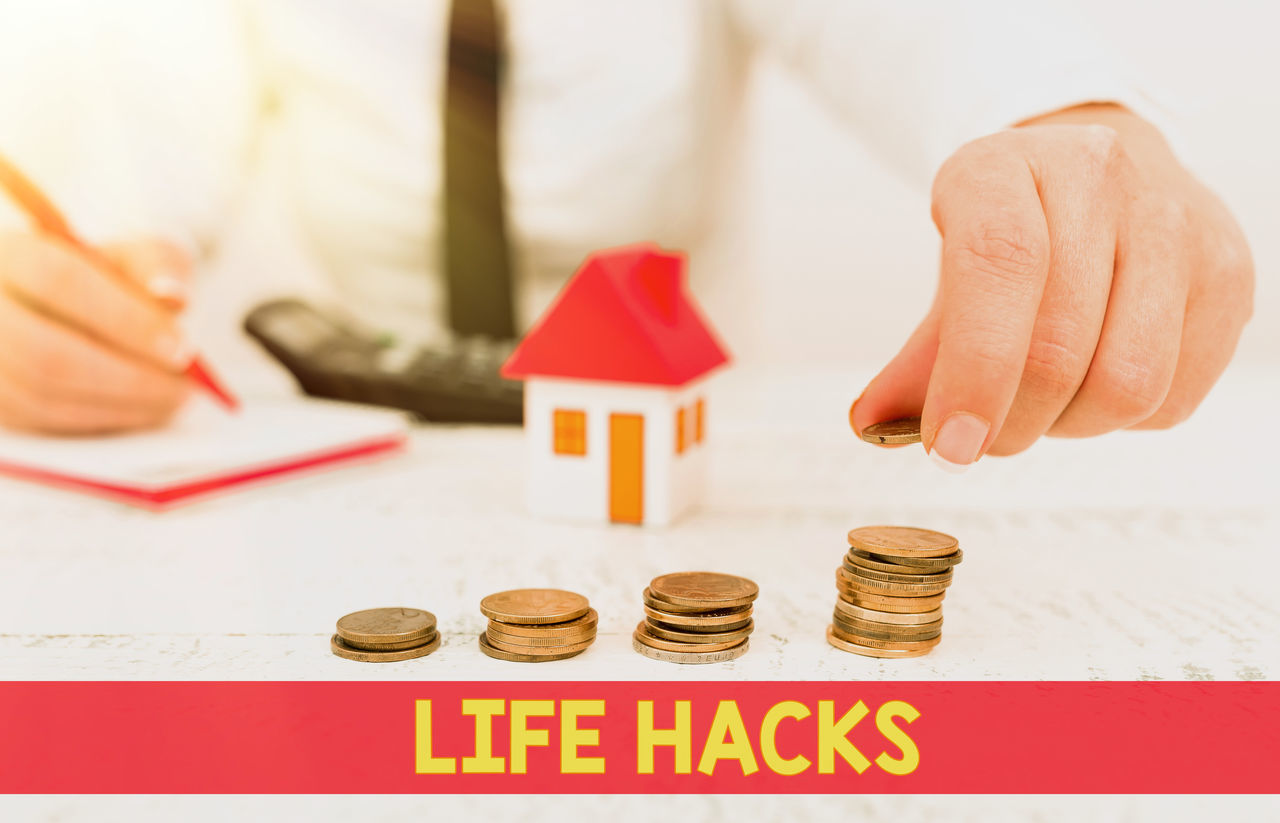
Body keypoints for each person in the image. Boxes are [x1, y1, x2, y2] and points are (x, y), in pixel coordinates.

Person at [0, 1, 1253, 470]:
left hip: (664, 434)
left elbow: (925, 23)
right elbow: (131, 105)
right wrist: (72, 286)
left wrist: (1069, 120)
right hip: (361, 443)